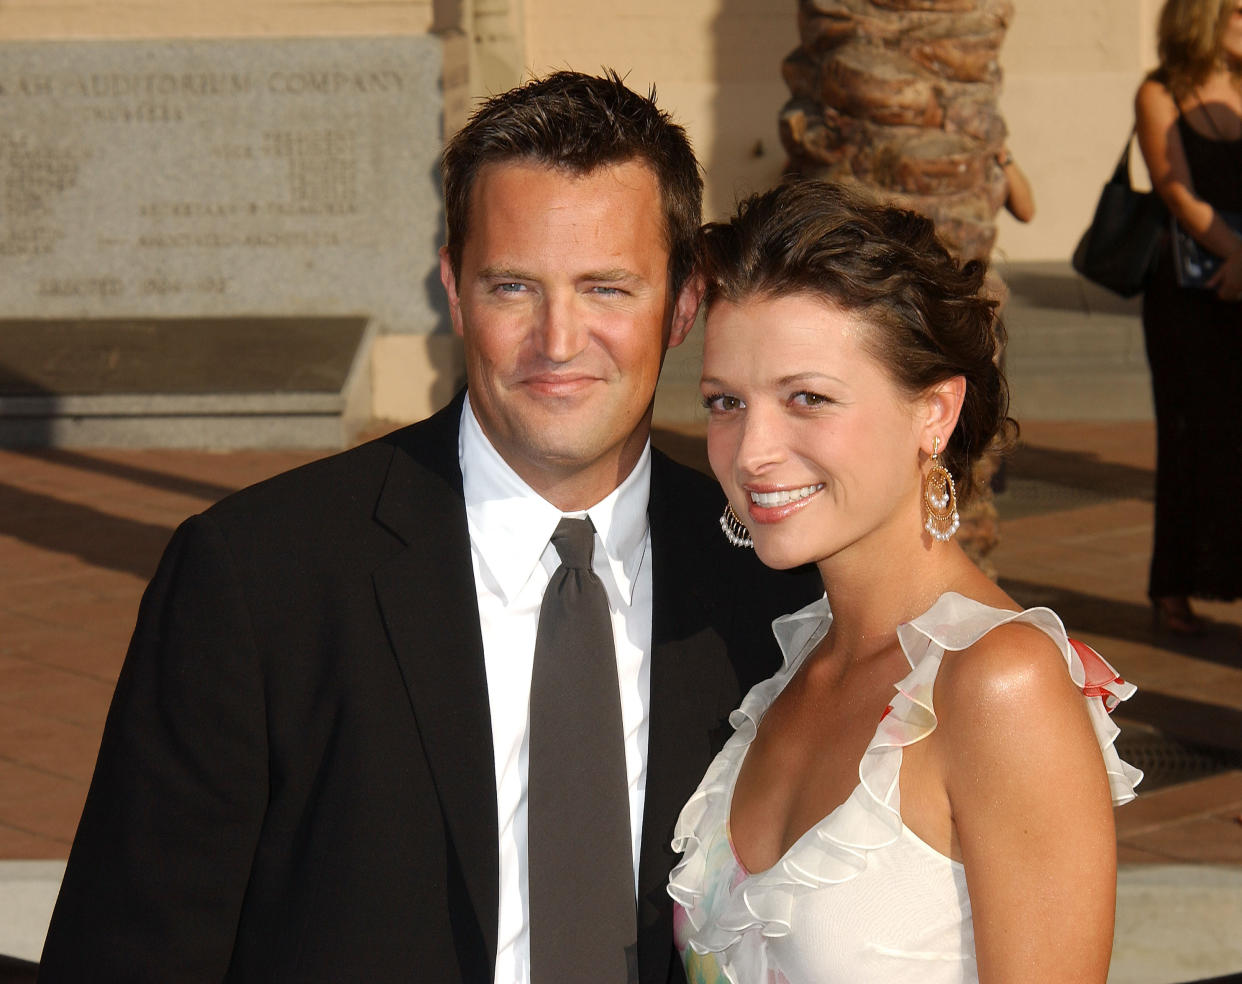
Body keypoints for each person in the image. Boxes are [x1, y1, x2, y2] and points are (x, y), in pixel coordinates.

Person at [38, 71, 821, 984]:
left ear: (684, 303)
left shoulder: (772, 583)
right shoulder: (257, 579)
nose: (558, 340)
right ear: (454, 288)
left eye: (607, 289)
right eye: (513, 286)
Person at [666, 180, 1142, 983]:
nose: (751, 453)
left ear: (935, 414)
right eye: (725, 402)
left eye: (807, 398)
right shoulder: (790, 657)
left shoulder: (1000, 685)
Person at [1135, 0, 1242, 633]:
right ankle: (1173, 584)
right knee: (1188, 433)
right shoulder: (1161, 90)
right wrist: (1237, 254)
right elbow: (1175, 191)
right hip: (1187, 292)